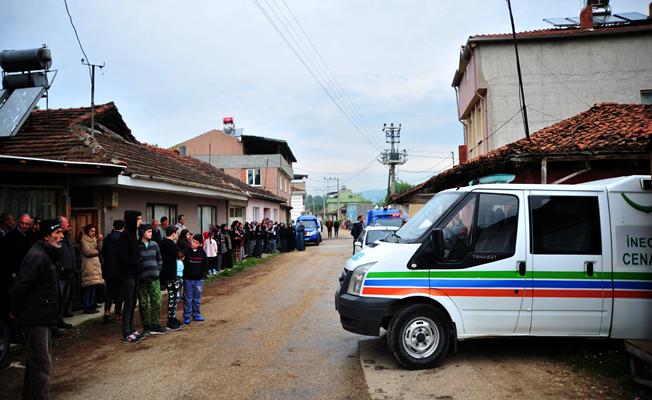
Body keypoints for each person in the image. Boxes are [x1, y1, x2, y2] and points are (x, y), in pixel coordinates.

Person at [9, 219, 63, 400]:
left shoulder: (47, 253)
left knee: (36, 362)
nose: (61, 236)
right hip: (36, 316)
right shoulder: (37, 256)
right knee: (42, 363)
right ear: (47, 236)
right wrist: (13, 309)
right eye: (57, 233)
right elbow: (22, 285)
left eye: (61, 232)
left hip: (44, 314)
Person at [118, 210, 145, 344]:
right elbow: (122, 256)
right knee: (128, 304)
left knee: (133, 302)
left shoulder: (133, 234)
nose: (140, 221)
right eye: (138, 219)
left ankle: (131, 329)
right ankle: (126, 333)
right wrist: (136, 260)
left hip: (135, 274)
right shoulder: (125, 235)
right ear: (132, 220)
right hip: (128, 274)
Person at [137, 224, 166, 335]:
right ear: (142, 232)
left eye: (151, 231)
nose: (151, 233)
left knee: (157, 301)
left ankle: (155, 324)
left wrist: (158, 270)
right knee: (143, 304)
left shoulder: (154, 244)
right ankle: (146, 326)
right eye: (148, 231)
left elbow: (159, 259)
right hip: (142, 280)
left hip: (154, 278)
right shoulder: (137, 245)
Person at [159, 226, 183, 331]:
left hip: (166, 274)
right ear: (173, 233)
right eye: (177, 233)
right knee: (174, 297)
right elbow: (180, 255)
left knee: (174, 296)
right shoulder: (170, 244)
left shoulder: (162, 242)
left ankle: (172, 318)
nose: (177, 235)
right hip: (170, 275)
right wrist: (187, 248)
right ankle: (171, 320)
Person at [183, 234, 208, 325]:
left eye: (196, 243)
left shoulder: (202, 252)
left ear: (200, 244)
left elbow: (205, 265)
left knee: (197, 298)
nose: (194, 244)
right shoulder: (186, 251)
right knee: (188, 298)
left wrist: (202, 274)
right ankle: (187, 316)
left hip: (198, 279)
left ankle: (196, 314)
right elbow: (183, 264)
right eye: (193, 241)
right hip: (188, 279)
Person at [102, 220, 124, 322]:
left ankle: (106, 311)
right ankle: (117, 314)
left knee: (109, 292)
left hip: (109, 268)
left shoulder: (107, 239)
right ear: (123, 227)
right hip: (120, 269)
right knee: (119, 292)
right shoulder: (123, 239)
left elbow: (103, 253)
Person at [56, 216, 75, 328]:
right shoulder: (56, 236)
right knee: (58, 299)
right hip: (61, 275)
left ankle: (60, 320)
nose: (68, 224)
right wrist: (61, 267)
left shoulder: (67, 237)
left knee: (64, 298)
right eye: (66, 222)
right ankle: (54, 324)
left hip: (69, 273)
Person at [80, 224, 103, 314]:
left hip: (95, 266)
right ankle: (87, 306)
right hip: (88, 266)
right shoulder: (84, 240)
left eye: (94, 231)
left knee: (93, 286)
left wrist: (100, 241)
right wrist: (97, 251)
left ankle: (92, 304)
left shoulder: (94, 239)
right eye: (91, 231)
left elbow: (99, 249)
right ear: (87, 231)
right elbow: (87, 252)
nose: (93, 233)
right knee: (88, 287)